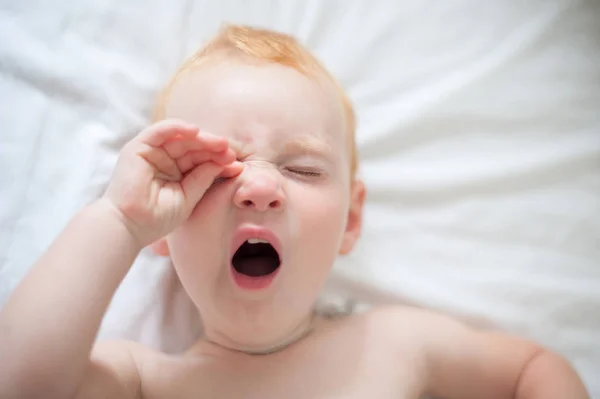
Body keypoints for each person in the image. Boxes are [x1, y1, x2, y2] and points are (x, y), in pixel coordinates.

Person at [0, 24, 589, 399]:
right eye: (214, 170)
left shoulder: (397, 344)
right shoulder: (146, 381)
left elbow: (532, 368)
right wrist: (118, 221)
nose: (257, 188)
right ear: (163, 229)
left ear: (350, 221)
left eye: (302, 168)